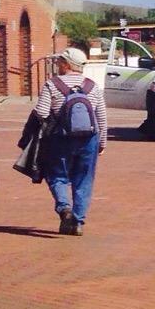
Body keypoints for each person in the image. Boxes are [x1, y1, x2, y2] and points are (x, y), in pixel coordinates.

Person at [34, 48, 106, 236]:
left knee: (57, 176)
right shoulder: (92, 86)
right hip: (89, 139)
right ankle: (77, 222)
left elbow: (41, 112)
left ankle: (64, 208)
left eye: (60, 62)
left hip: (60, 138)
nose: (57, 64)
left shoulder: (52, 84)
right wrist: (102, 143)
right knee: (84, 180)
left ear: (67, 64)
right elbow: (101, 117)